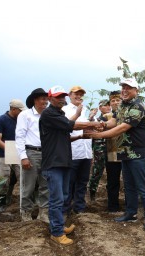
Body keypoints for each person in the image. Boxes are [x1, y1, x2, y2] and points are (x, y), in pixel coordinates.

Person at [87, 78, 145, 231]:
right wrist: (102, 125)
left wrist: (99, 135)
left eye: (128, 88)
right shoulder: (122, 106)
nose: (124, 90)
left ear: (136, 91)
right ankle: (130, 213)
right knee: (129, 186)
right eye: (123, 87)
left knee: (143, 187)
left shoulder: (137, 107)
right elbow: (115, 122)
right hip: (126, 153)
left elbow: (122, 128)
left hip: (140, 153)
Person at [39, 85, 103, 245]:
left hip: (64, 161)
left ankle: (59, 226)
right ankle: (56, 233)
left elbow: (66, 135)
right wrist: (93, 125)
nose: (61, 99)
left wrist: (81, 136)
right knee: (56, 199)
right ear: (50, 98)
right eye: (58, 96)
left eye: (63, 96)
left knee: (65, 195)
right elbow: (70, 126)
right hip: (53, 163)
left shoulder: (59, 113)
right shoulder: (49, 114)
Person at [16, 88, 50, 222]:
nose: (45, 102)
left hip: (47, 153)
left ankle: (44, 213)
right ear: (35, 100)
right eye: (43, 99)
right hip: (31, 152)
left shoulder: (47, 115)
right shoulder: (25, 115)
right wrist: (23, 157)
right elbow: (20, 136)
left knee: (45, 185)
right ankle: (26, 214)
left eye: (46, 99)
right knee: (28, 186)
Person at [62, 86, 93, 215]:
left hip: (86, 153)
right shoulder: (65, 110)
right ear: (69, 95)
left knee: (82, 182)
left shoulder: (85, 110)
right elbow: (67, 126)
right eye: (76, 94)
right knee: (69, 183)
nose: (79, 96)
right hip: (73, 153)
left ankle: (79, 207)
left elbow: (89, 128)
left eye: (81, 94)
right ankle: (66, 209)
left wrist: (92, 120)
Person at [0, 99, 25, 212]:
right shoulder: (0, 120)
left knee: (22, 177)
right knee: (3, 179)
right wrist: (11, 150)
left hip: (18, 153)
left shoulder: (20, 120)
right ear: (13, 109)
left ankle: (22, 202)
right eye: (20, 110)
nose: (22, 113)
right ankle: (1, 203)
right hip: (3, 154)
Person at [87, 99, 111, 202]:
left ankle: (110, 196)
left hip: (111, 149)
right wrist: (91, 116)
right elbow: (89, 124)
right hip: (99, 150)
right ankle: (92, 193)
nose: (108, 107)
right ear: (100, 108)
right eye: (105, 105)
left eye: (109, 105)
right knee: (97, 171)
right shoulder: (96, 119)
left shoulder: (113, 118)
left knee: (112, 173)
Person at [104, 91, 123, 212]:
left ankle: (132, 204)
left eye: (118, 100)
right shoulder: (106, 117)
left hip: (128, 152)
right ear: (110, 103)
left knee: (130, 179)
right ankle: (113, 205)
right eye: (113, 100)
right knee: (113, 179)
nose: (115, 102)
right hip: (112, 151)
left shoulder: (129, 114)